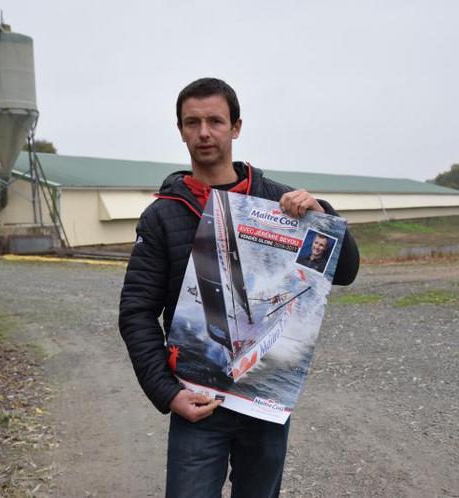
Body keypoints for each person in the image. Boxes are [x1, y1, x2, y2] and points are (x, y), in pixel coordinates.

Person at [118, 77, 360, 498]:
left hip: (264, 403)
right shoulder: (162, 215)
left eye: (215, 120)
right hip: (197, 400)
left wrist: (321, 215)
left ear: (237, 127)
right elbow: (136, 313)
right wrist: (168, 393)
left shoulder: (280, 201)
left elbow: (345, 271)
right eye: (192, 122)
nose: (204, 132)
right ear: (180, 130)